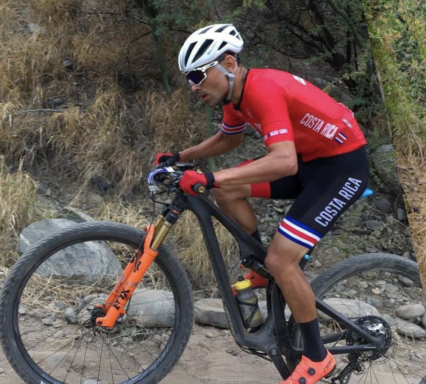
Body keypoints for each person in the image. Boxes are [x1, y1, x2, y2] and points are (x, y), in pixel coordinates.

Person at [156, 24, 369, 384]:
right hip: (309, 163)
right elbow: (229, 139)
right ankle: (257, 266)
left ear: (226, 63)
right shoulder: (235, 97)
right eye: (187, 79)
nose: (193, 86)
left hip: (340, 168)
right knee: (229, 190)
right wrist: (182, 156)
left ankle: (318, 357)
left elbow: (283, 160)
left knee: (281, 258)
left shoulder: (262, 89)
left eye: (196, 75)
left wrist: (208, 177)